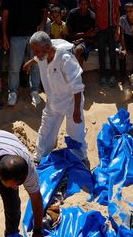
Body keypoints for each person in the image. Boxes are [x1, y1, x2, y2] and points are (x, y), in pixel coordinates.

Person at [26, 32, 87, 163]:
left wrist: (77, 110)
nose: (35, 55)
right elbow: (38, 57)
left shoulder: (65, 59)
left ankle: (80, 157)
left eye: (36, 51)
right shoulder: (42, 55)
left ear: (47, 47)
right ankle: (40, 156)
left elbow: (77, 87)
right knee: (46, 128)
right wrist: (30, 62)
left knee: (75, 131)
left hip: (71, 102)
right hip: (53, 99)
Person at [2, 0, 47, 107]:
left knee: (35, 64)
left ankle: (34, 91)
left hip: (34, 36)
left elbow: (44, 10)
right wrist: (4, 35)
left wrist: (41, 25)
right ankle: (12, 92)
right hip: (15, 35)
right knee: (14, 66)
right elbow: (5, 14)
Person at [90, 0, 121, 87]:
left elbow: (117, 14)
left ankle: (113, 75)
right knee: (101, 53)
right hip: (100, 30)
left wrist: (117, 29)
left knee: (112, 52)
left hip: (111, 29)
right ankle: (103, 75)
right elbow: (93, 11)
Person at [66, 0, 97, 66]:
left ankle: (74, 74)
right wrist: (85, 34)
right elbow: (70, 34)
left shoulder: (92, 16)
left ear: (88, 4)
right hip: (72, 40)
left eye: (85, 4)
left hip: (86, 42)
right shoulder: (72, 14)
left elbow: (93, 39)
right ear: (78, 4)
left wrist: (83, 39)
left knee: (79, 50)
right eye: (81, 4)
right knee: (80, 56)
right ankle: (78, 76)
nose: (83, 6)